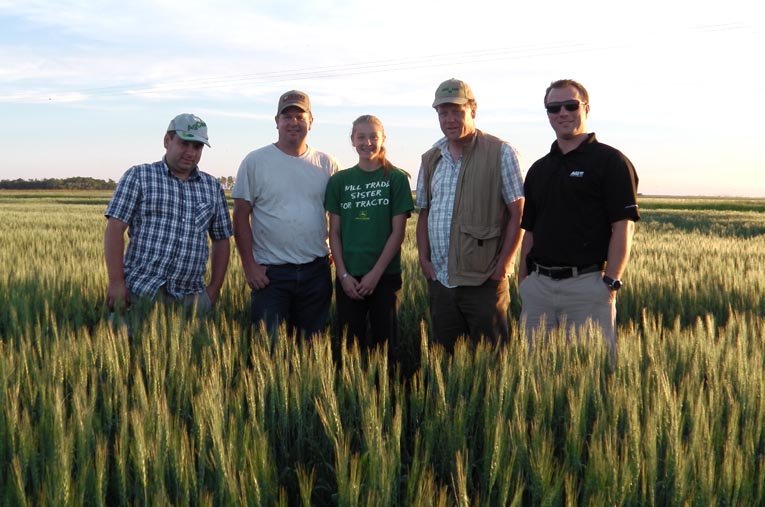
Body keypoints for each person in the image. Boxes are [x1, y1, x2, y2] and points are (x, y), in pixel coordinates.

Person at [518, 79, 640, 351]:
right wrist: (523, 282)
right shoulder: (539, 169)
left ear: (586, 108)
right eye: (554, 108)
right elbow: (530, 230)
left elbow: (623, 226)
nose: (562, 113)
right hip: (538, 288)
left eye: (570, 105)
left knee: (589, 369)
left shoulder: (611, 162)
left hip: (587, 286)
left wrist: (610, 282)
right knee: (534, 369)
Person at [415, 78, 525, 352]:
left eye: (457, 111)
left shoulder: (500, 152)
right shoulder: (431, 158)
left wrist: (502, 266)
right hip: (441, 280)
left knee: (492, 361)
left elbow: (518, 213)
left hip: (484, 281)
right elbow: (424, 213)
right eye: (443, 113)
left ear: (473, 110)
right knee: (446, 360)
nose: (449, 119)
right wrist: (424, 261)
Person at [232, 90, 340, 338]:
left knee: (312, 348)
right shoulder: (255, 161)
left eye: (300, 117)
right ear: (276, 121)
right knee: (268, 349)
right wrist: (249, 266)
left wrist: (336, 251)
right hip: (270, 275)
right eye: (287, 116)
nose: (293, 122)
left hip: (316, 272)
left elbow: (338, 215)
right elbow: (240, 216)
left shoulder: (327, 164)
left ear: (311, 121)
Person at [104, 113, 233, 315]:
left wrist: (213, 291)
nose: (190, 152)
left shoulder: (212, 187)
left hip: (191, 298)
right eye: (184, 143)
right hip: (138, 293)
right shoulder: (139, 176)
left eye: (197, 146)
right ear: (167, 141)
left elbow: (222, 239)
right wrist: (116, 282)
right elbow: (114, 228)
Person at [324, 115, 414, 358]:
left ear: (383, 139)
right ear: (352, 140)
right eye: (361, 137)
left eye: (374, 137)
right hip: (349, 278)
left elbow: (398, 232)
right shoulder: (339, 181)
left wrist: (375, 274)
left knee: (386, 349)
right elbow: (334, 232)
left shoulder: (396, 178)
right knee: (350, 349)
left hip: (385, 276)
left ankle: (388, 383)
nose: (367, 142)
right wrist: (343, 275)